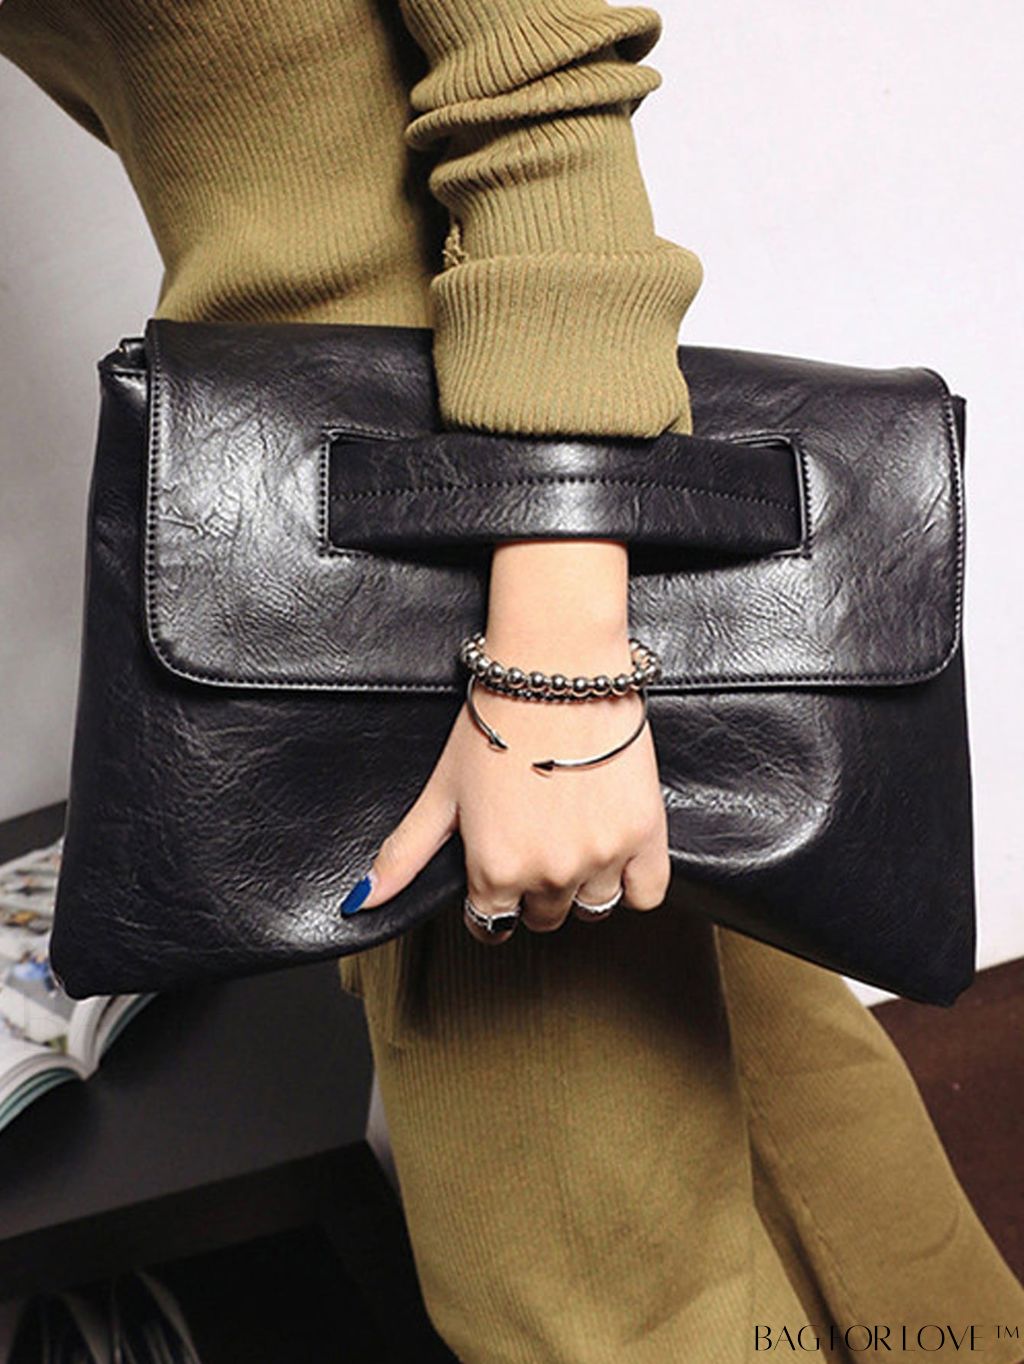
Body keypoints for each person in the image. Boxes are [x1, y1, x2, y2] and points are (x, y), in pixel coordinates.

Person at [2, 3, 1021, 1360]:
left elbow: (538, 69)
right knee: (800, 1124)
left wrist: (554, 678)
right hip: (397, 557)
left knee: (592, 1307)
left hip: (487, 575)